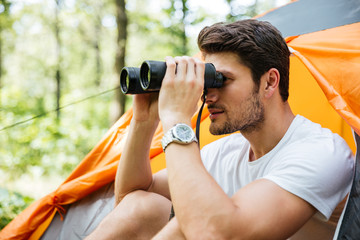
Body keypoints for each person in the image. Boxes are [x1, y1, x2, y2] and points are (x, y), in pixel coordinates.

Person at [86, 19, 354, 239]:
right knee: (141, 206)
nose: (207, 95)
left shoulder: (320, 150)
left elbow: (215, 233)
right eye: (206, 80)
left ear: (270, 82)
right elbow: (129, 196)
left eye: (221, 79)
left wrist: (177, 120)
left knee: (187, 225)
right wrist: (144, 122)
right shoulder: (226, 152)